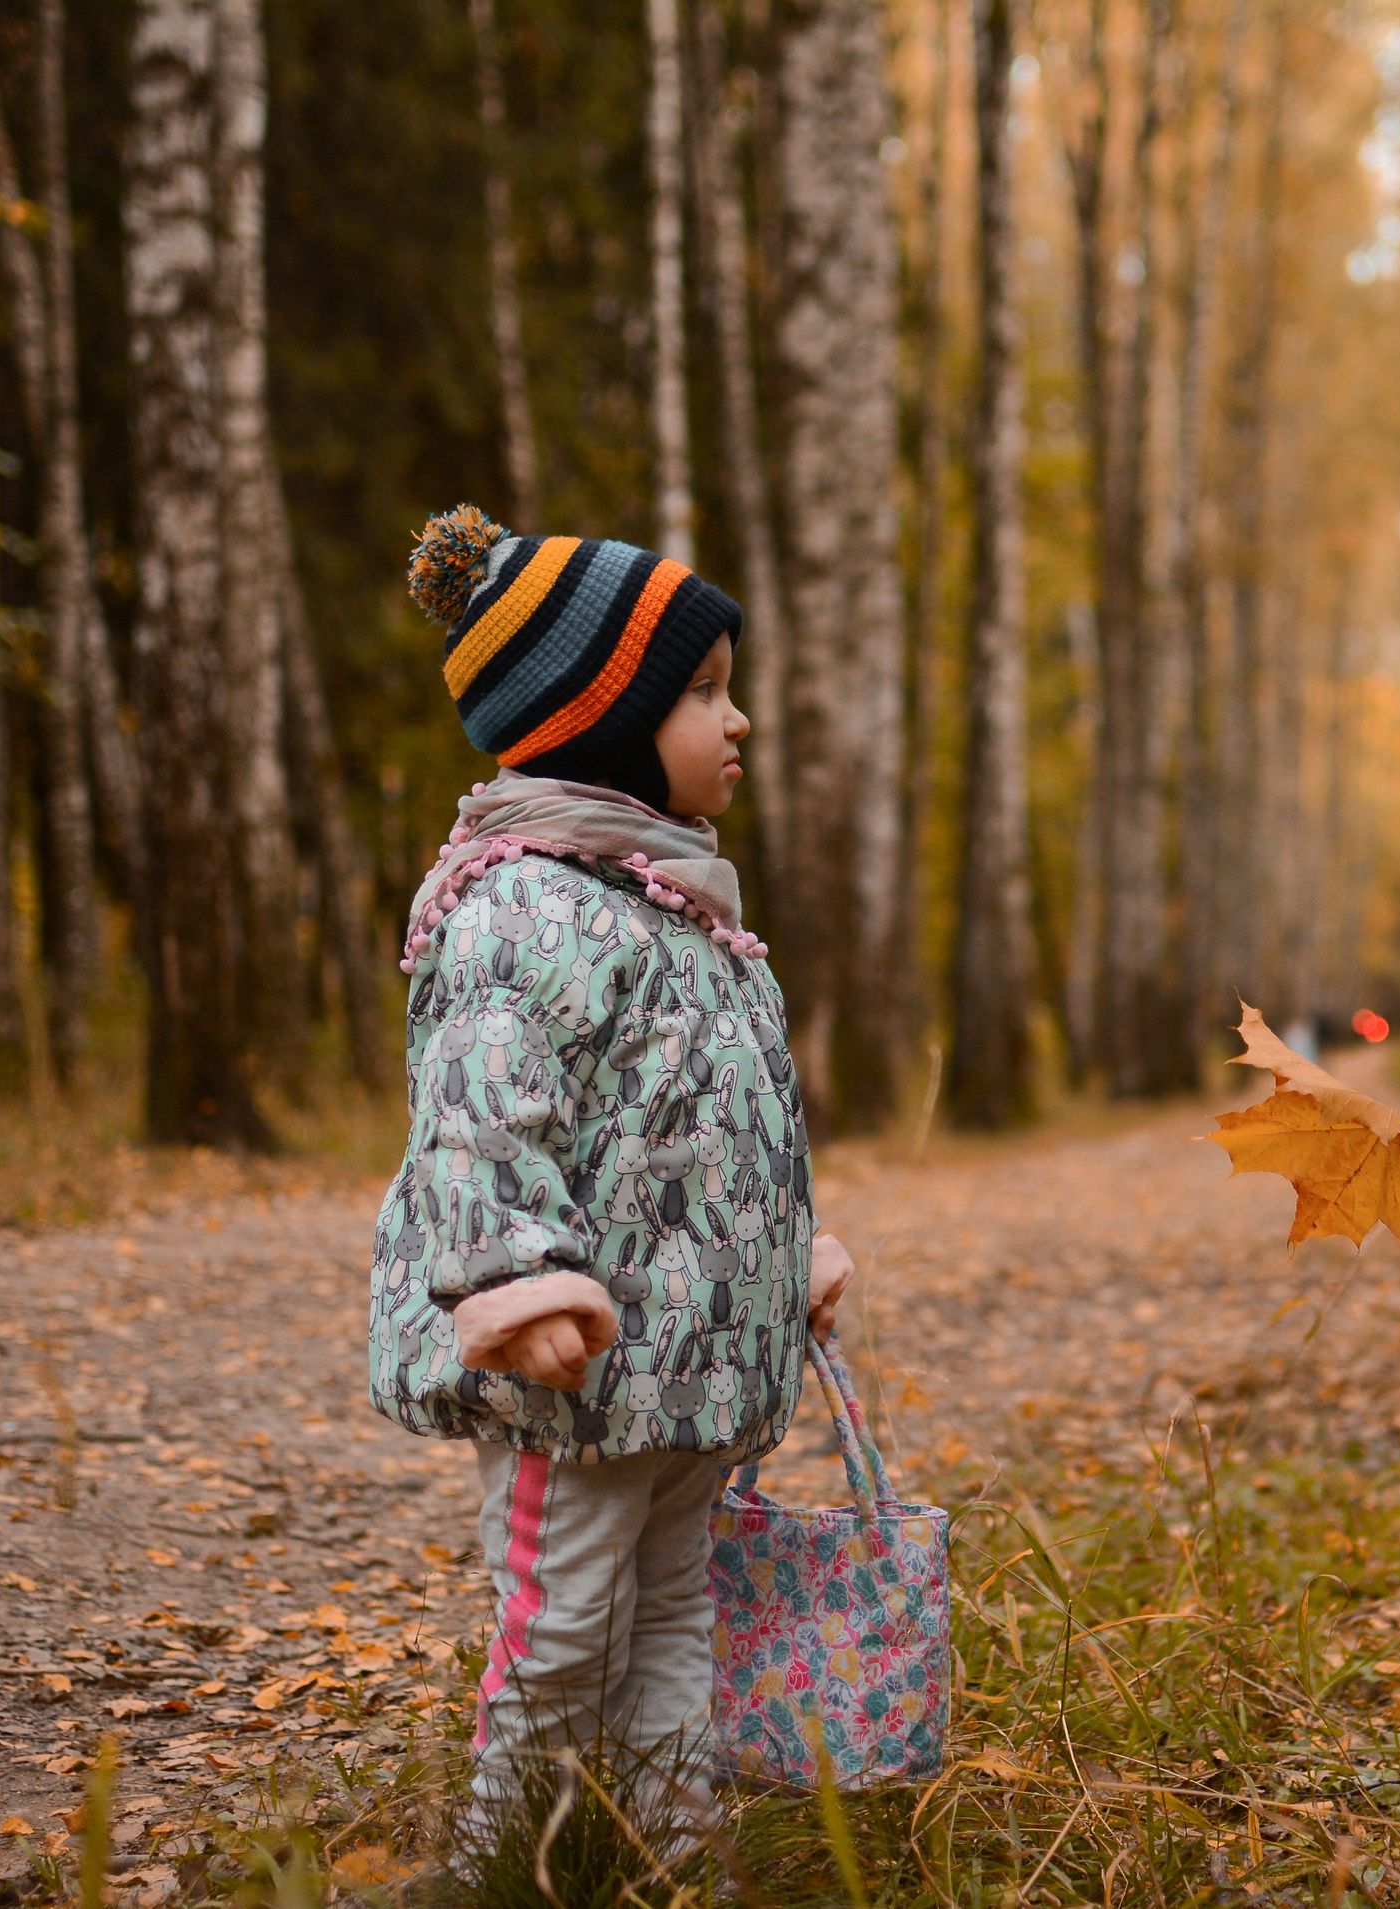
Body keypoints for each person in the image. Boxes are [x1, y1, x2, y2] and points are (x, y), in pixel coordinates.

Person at [366, 504, 854, 1856]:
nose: (738, 719)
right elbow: (477, 1114)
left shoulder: (684, 907)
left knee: (681, 1606)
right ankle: (509, 1856)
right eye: (702, 692)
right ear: (599, 717)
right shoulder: (520, 904)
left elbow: (729, 1127)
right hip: (576, 1380)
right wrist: (513, 1278)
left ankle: (666, 1838)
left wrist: (787, 1249)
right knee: (565, 1620)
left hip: (692, 1371)